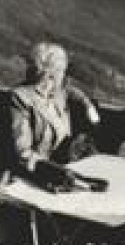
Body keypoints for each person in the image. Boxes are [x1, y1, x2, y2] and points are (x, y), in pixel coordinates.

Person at [9, 41, 100, 172]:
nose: (64, 76)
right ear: (51, 74)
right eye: (62, 71)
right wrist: (54, 170)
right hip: (34, 174)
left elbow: (72, 91)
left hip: (63, 169)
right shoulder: (20, 98)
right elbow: (22, 152)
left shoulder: (58, 93)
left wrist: (88, 106)